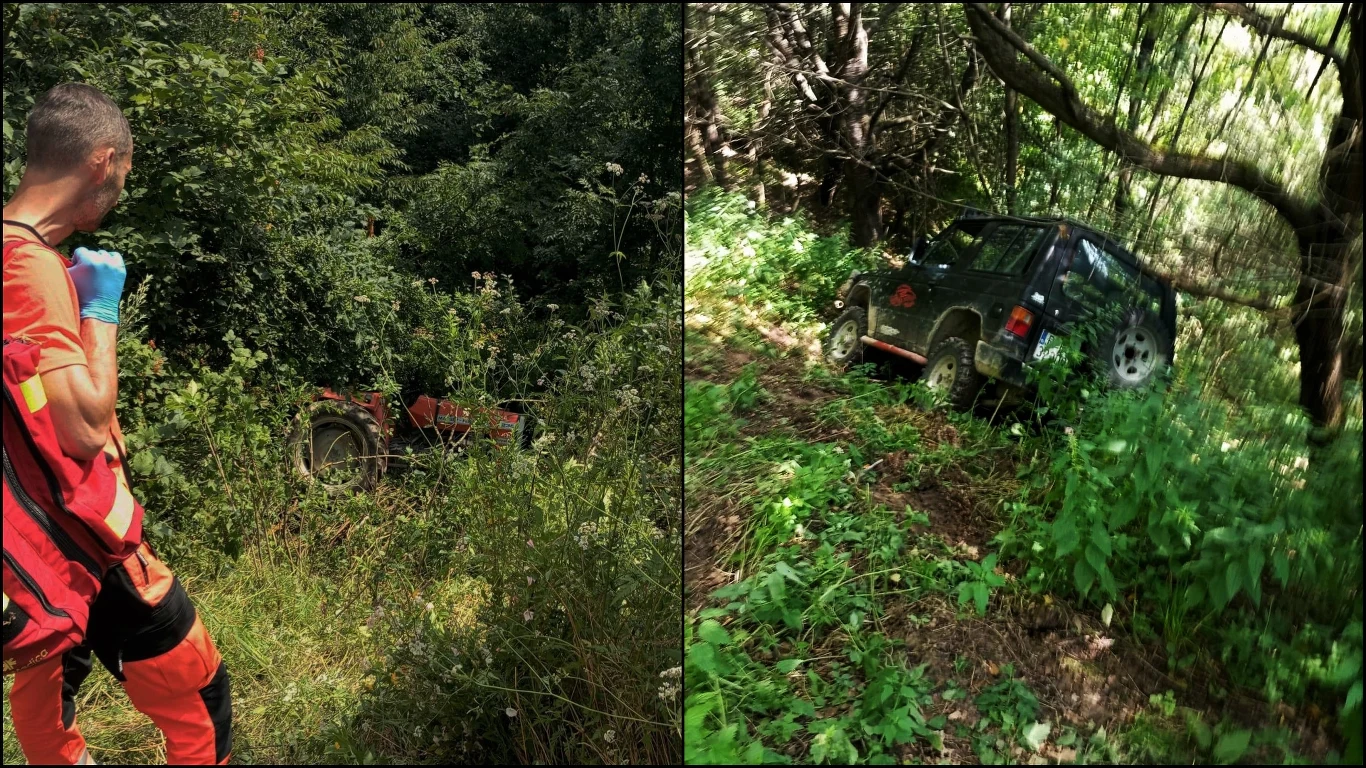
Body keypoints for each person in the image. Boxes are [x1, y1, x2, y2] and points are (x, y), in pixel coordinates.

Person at [3, 83, 232, 765]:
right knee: (198, 691)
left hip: (30, 554)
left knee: (48, 705)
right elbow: (83, 428)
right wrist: (101, 313)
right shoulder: (27, 266)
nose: (121, 191)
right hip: (83, 536)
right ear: (102, 162)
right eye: (125, 176)